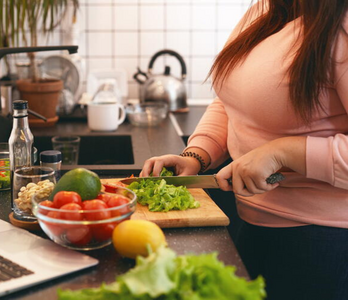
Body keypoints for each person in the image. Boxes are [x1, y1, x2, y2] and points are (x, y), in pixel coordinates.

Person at [140, 1, 348, 299]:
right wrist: (197, 155)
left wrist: (284, 152)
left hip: (322, 242)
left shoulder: (340, 23)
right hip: (248, 222)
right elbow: (232, 102)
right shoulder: (265, 9)